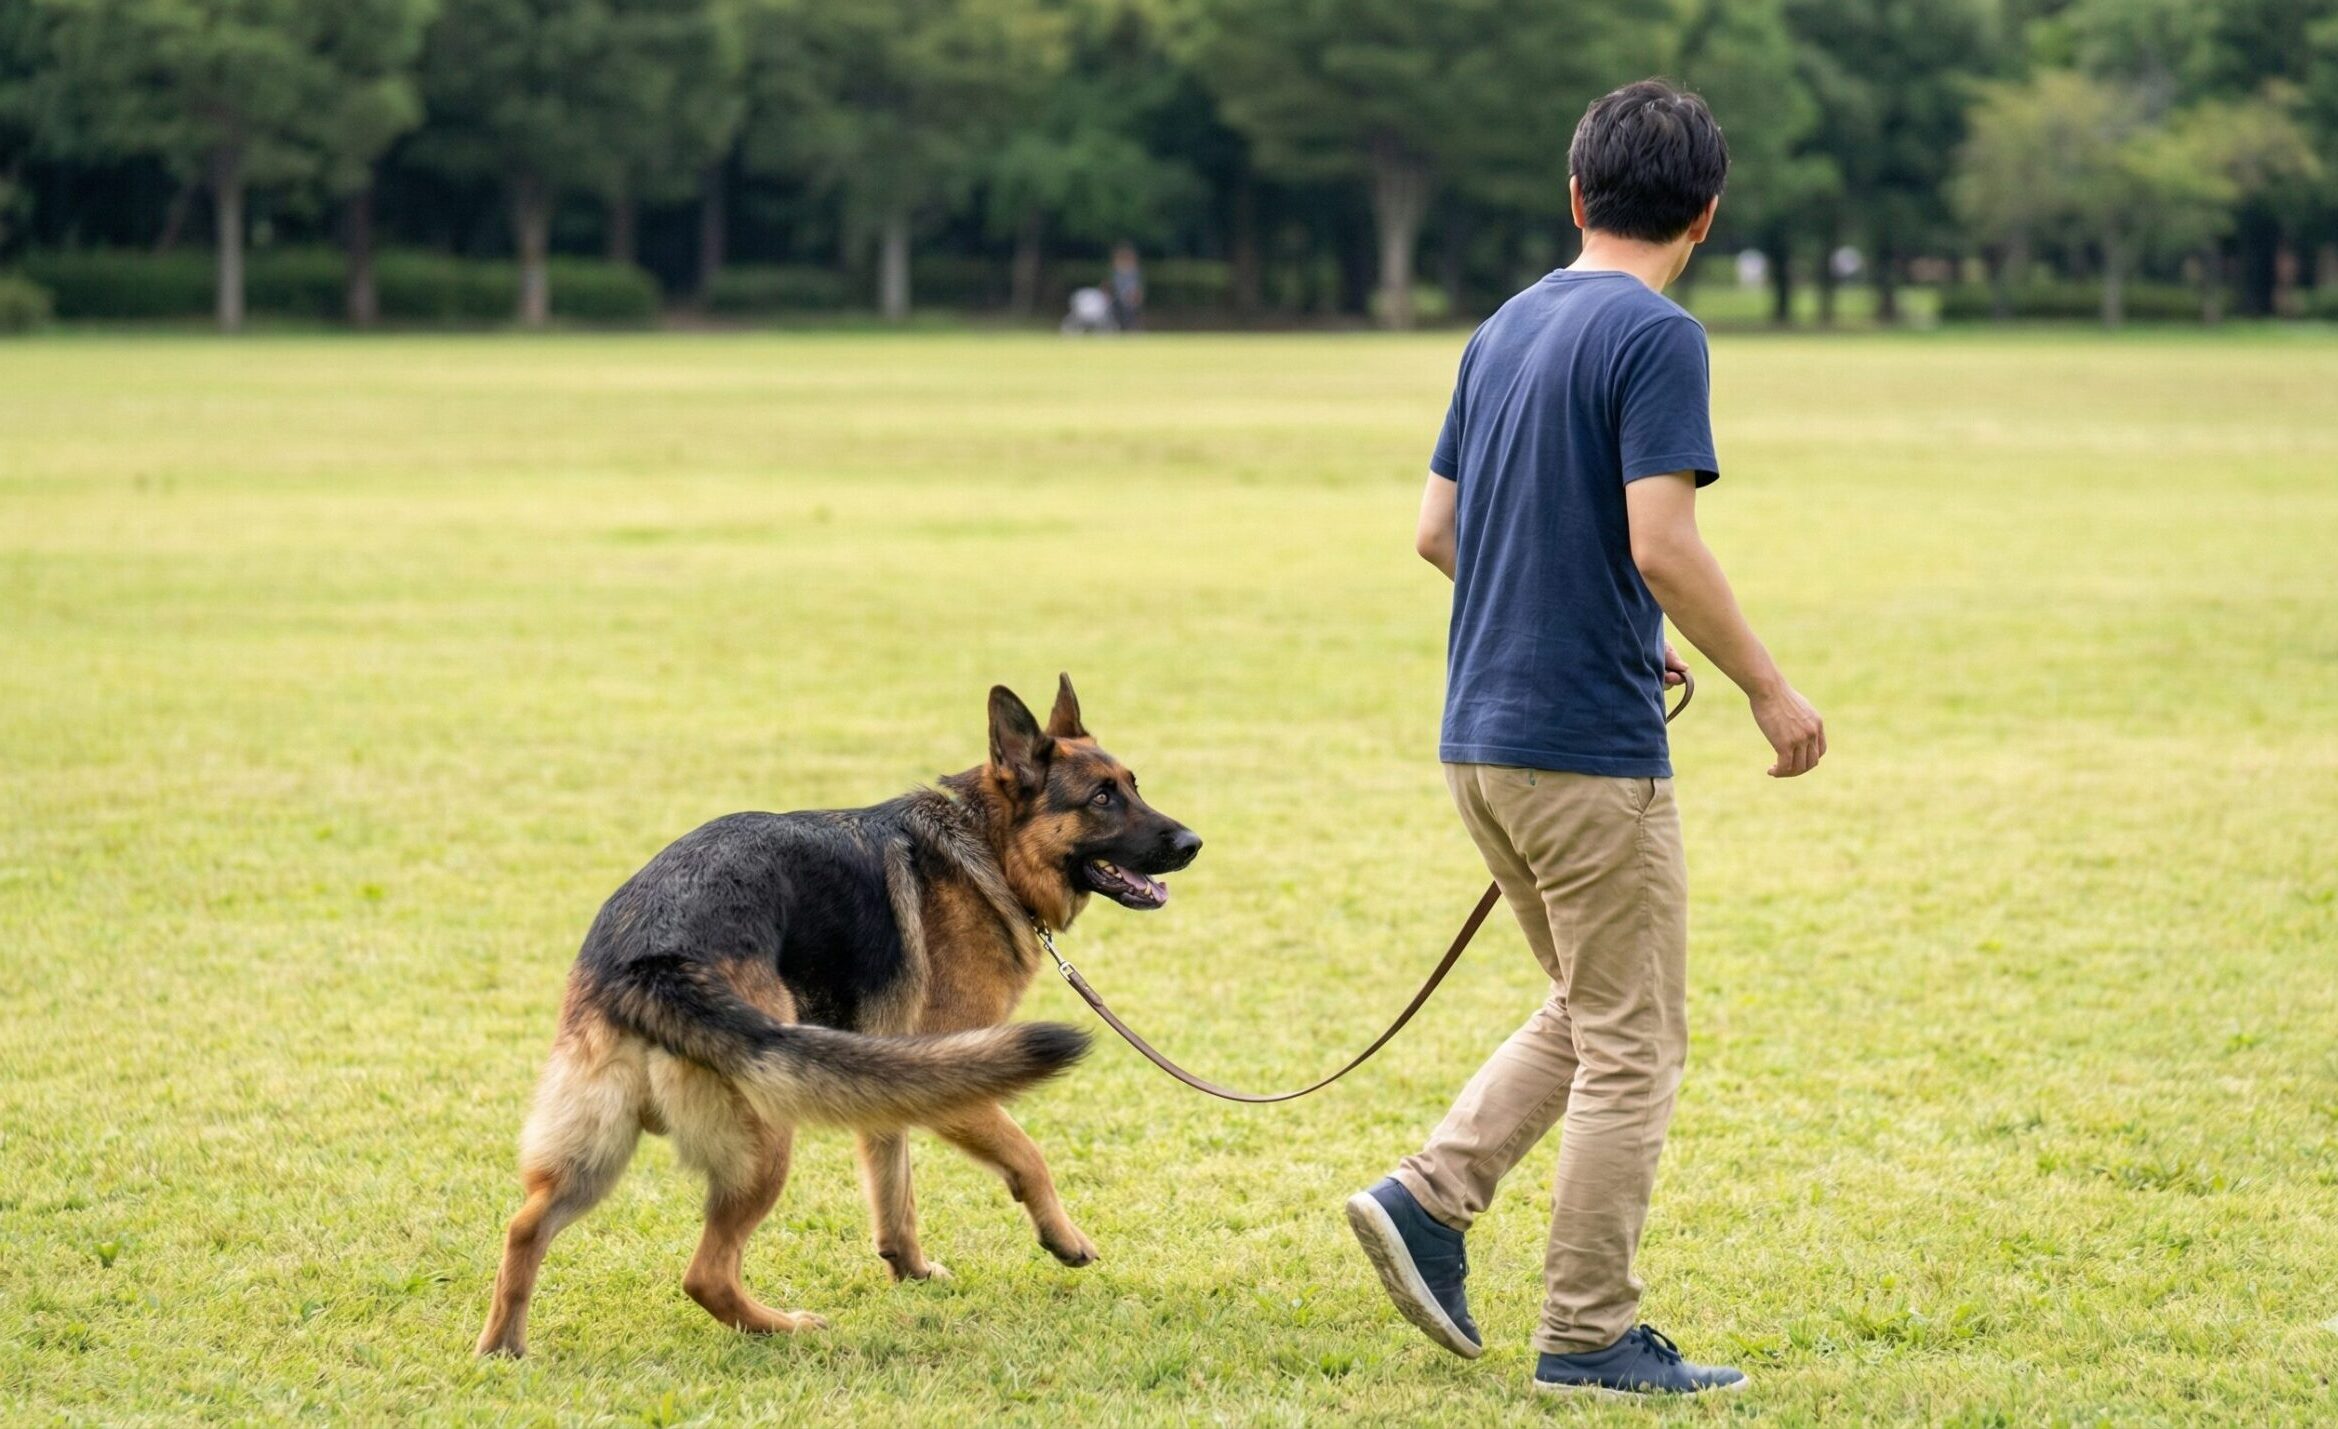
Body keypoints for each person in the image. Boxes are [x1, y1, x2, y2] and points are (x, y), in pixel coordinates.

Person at [1344, 79, 1826, 1399]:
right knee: (1634, 1042)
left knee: (1592, 1005)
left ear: (1574, 196)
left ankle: (1431, 1198)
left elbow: (1438, 533)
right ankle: (1588, 1334)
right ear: (1705, 215)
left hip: (1480, 743)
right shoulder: (1656, 335)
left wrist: (1604, 619)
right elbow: (1659, 541)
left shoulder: (1504, 325)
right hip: (1583, 754)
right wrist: (1766, 690)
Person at [1107, 242, 1145, 331]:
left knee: (1130, 310)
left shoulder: (1134, 272)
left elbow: (1136, 287)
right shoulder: (1116, 272)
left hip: (1130, 298)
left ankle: (1131, 328)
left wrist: (1133, 295)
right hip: (1117, 298)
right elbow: (1112, 286)